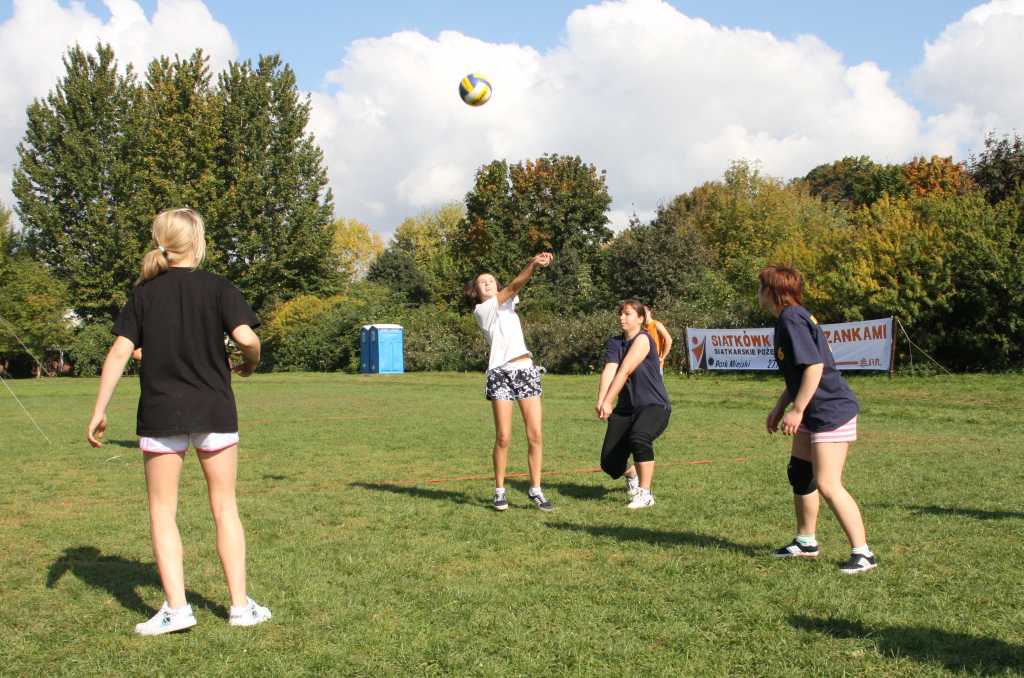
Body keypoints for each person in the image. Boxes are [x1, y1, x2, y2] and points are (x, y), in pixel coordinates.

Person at [86, 208, 272, 635]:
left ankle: (177, 609)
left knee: (162, 511)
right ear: (198, 241)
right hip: (215, 410)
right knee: (225, 508)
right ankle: (240, 608)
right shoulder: (220, 288)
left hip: (161, 412)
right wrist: (251, 363)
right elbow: (248, 339)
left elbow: (118, 352)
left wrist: (99, 409)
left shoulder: (143, 296)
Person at [759, 265, 877, 574]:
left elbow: (813, 367)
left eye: (761, 287)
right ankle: (806, 541)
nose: (758, 294)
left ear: (773, 291)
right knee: (800, 473)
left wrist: (796, 410)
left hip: (829, 411)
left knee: (827, 482)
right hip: (812, 408)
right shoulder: (791, 317)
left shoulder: (791, 319)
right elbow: (797, 375)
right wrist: (780, 407)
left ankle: (863, 553)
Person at [467, 253, 554, 512]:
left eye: (492, 281)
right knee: (503, 437)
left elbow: (515, 289)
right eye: (483, 283)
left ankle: (536, 490)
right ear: (477, 291)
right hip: (500, 374)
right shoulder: (483, 310)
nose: (488, 284)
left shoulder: (509, 305)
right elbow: (514, 285)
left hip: (525, 370)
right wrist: (533, 263)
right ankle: (499, 491)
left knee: (535, 434)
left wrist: (532, 268)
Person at [596, 299, 672, 509]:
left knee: (639, 437)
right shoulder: (615, 342)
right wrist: (602, 399)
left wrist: (610, 399)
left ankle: (645, 494)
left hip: (654, 405)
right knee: (610, 464)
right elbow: (610, 369)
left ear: (640, 318)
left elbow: (625, 370)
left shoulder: (644, 339)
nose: (621, 317)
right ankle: (631, 475)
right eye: (620, 313)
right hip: (626, 409)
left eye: (627, 314)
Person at [643, 306, 673, 372]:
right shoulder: (642, 327)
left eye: (644, 312)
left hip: (656, 365)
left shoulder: (656, 324)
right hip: (645, 364)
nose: (643, 315)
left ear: (649, 312)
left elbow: (669, 340)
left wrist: (663, 357)